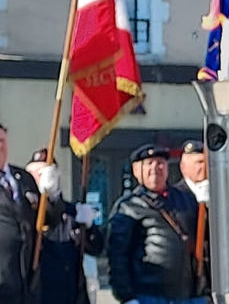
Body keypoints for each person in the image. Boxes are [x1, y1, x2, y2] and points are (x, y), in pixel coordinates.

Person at [107, 143, 206, 304]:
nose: (155, 168)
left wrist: (207, 206)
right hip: (148, 294)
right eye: (149, 163)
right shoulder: (128, 206)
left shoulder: (185, 198)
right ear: (136, 170)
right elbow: (118, 256)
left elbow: (204, 236)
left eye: (160, 163)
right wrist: (126, 296)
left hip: (187, 294)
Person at [26, 148, 103, 304]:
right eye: (39, 174)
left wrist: (89, 229)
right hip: (40, 294)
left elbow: (96, 248)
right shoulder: (25, 211)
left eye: (49, 173)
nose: (45, 178)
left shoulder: (73, 211)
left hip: (72, 294)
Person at [0, 124, 64, 304]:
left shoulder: (23, 178)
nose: (0, 146)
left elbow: (51, 220)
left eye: (2, 141)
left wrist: (52, 196)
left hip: (28, 281)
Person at [175, 139, 211, 299]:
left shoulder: (218, 194)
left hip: (213, 276)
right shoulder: (176, 196)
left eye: (204, 162)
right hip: (188, 276)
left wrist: (210, 205)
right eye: (198, 162)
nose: (202, 167)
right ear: (183, 167)